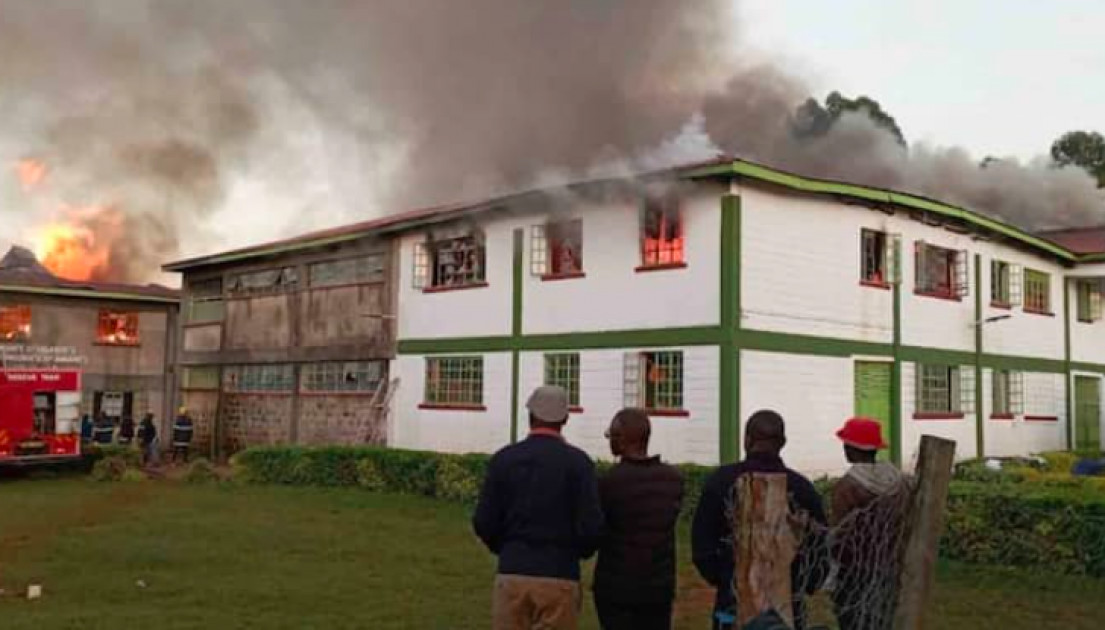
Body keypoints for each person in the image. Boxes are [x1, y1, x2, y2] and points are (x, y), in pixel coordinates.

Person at [472, 386, 604, 630]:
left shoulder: (504, 459)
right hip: (559, 573)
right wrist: (577, 552)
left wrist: (506, 547)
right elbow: (592, 526)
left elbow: (484, 520)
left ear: (530, 414)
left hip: (513, 570)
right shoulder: (579, 463)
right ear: (564, 419)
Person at [692, 410, 828, 630]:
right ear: (782, 442)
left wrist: (726, 577)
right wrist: (803, 583)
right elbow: (819, 547)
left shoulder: (721, 482)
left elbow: (702, 544)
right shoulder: (802, 489)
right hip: (788, 604)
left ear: (747, 439)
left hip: (733, 598)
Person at [593, 408, 684, 630]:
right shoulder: (673, 480)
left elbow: (596, 529)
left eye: (611, 435)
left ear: (622, 439)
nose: (609, 441)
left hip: (616, 588)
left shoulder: (610, 482)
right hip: (658, 587)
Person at [830, 417, 910, 630]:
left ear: (851, 448)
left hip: (855, 572)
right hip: (889, 567)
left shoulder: (847, 487)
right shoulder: (897, 482)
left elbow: (841, 535)